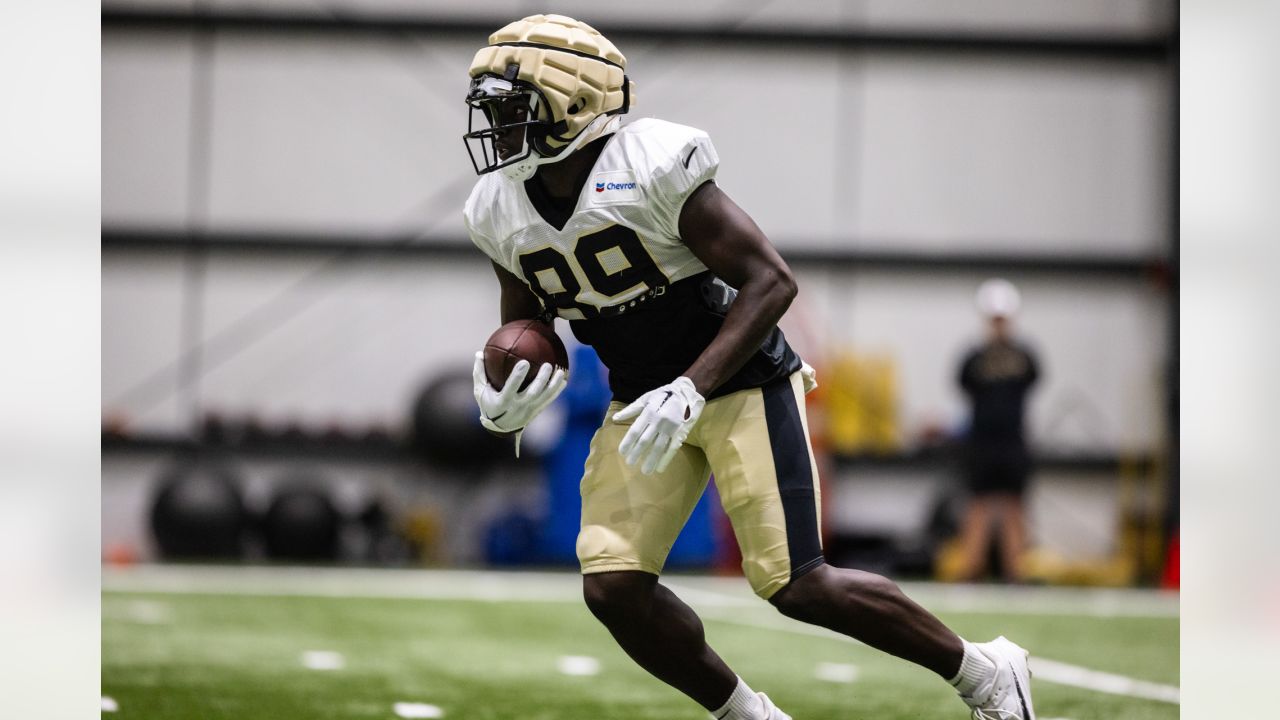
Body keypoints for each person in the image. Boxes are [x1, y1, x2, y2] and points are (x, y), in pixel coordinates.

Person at [462, 14, 1036, 720]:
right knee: (613, 587)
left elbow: (771, 280)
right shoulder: (498, 208)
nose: (497, 126)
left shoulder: (646, 165)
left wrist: (692, 388)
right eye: (492, 110)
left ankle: (986, 674)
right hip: (641, 401)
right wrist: (509, 390)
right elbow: (527, 324)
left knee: (797, 583)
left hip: (739, 381)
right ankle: (748, 715)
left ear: (575, 104)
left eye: (512, 109)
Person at [956, 279, 1042, 583]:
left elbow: (1033, 382)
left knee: (1013, 505)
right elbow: (963, 387)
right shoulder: (973, 358)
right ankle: (972, 567)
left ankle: (1015, 570)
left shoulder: (1026, 357)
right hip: (982, 442)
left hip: (1012, 441)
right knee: (978, 504)